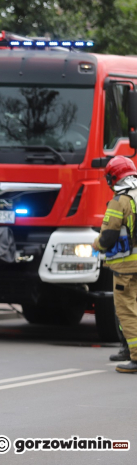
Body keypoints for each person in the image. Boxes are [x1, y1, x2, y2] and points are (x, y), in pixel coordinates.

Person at [93, 156, 137, 373]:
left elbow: (108, 236)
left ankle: (135, 357)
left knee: (126, 311)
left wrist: (95, 245)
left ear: (113, 177)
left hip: (126, 268)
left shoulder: (120, 201)